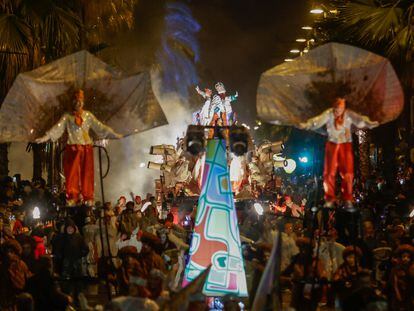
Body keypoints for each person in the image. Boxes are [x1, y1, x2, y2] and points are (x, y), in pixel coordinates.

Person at [35, 89, 122, 206]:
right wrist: (45, 137)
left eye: (80, 100)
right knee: (71, 174)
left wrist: (113, 134)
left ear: (83, 102)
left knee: (87, 173)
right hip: (72, 147)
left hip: (86, 147)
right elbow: (57, 128)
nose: (78, 103)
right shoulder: (67, 116)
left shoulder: (88, 116)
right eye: (76, 101)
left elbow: (100, 127)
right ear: (72, 102)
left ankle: (88, 197)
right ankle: (72, 197)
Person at [299, 97, 379, 207]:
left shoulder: (349, 114)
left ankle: (347, 198)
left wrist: (369, 123)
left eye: (340, 108)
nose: (338, 111)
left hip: (345, 144)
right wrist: (307, 124)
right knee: (329, 172)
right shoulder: (328, 114)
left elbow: (360, 121)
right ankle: (330, 199)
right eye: (336, 108)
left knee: (348, 172)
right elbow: (317, 121)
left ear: (344, 107)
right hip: (332, 143)